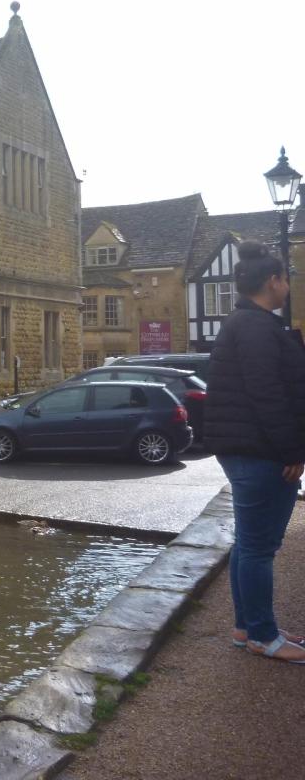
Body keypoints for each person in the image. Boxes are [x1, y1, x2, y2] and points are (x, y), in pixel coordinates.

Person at [204, 239, 305, 663]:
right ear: (273, 281)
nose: (289, 286)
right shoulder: (257, 327)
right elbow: (268, 395)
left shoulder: (247, 323)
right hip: (261, 452)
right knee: (259, 548)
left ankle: (248, 627)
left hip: (249, 449)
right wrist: (292, 452)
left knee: (249, 545)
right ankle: (262, 636)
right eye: (287, 278)